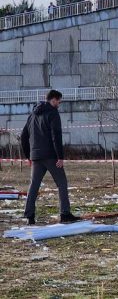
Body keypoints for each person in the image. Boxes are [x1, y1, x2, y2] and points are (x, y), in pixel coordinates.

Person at [20, 90, 81, 225]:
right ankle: (65, 214)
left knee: (34, 185)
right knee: (62, 183)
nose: (59, 104)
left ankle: (29, 216)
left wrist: (29, 156)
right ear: (53, 100)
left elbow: (24, 137)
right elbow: (56, 136)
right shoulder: (53, 113)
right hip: (51, 156)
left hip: (36, 157)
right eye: (59, 101)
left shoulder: (32, 115)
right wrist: (60, 157)